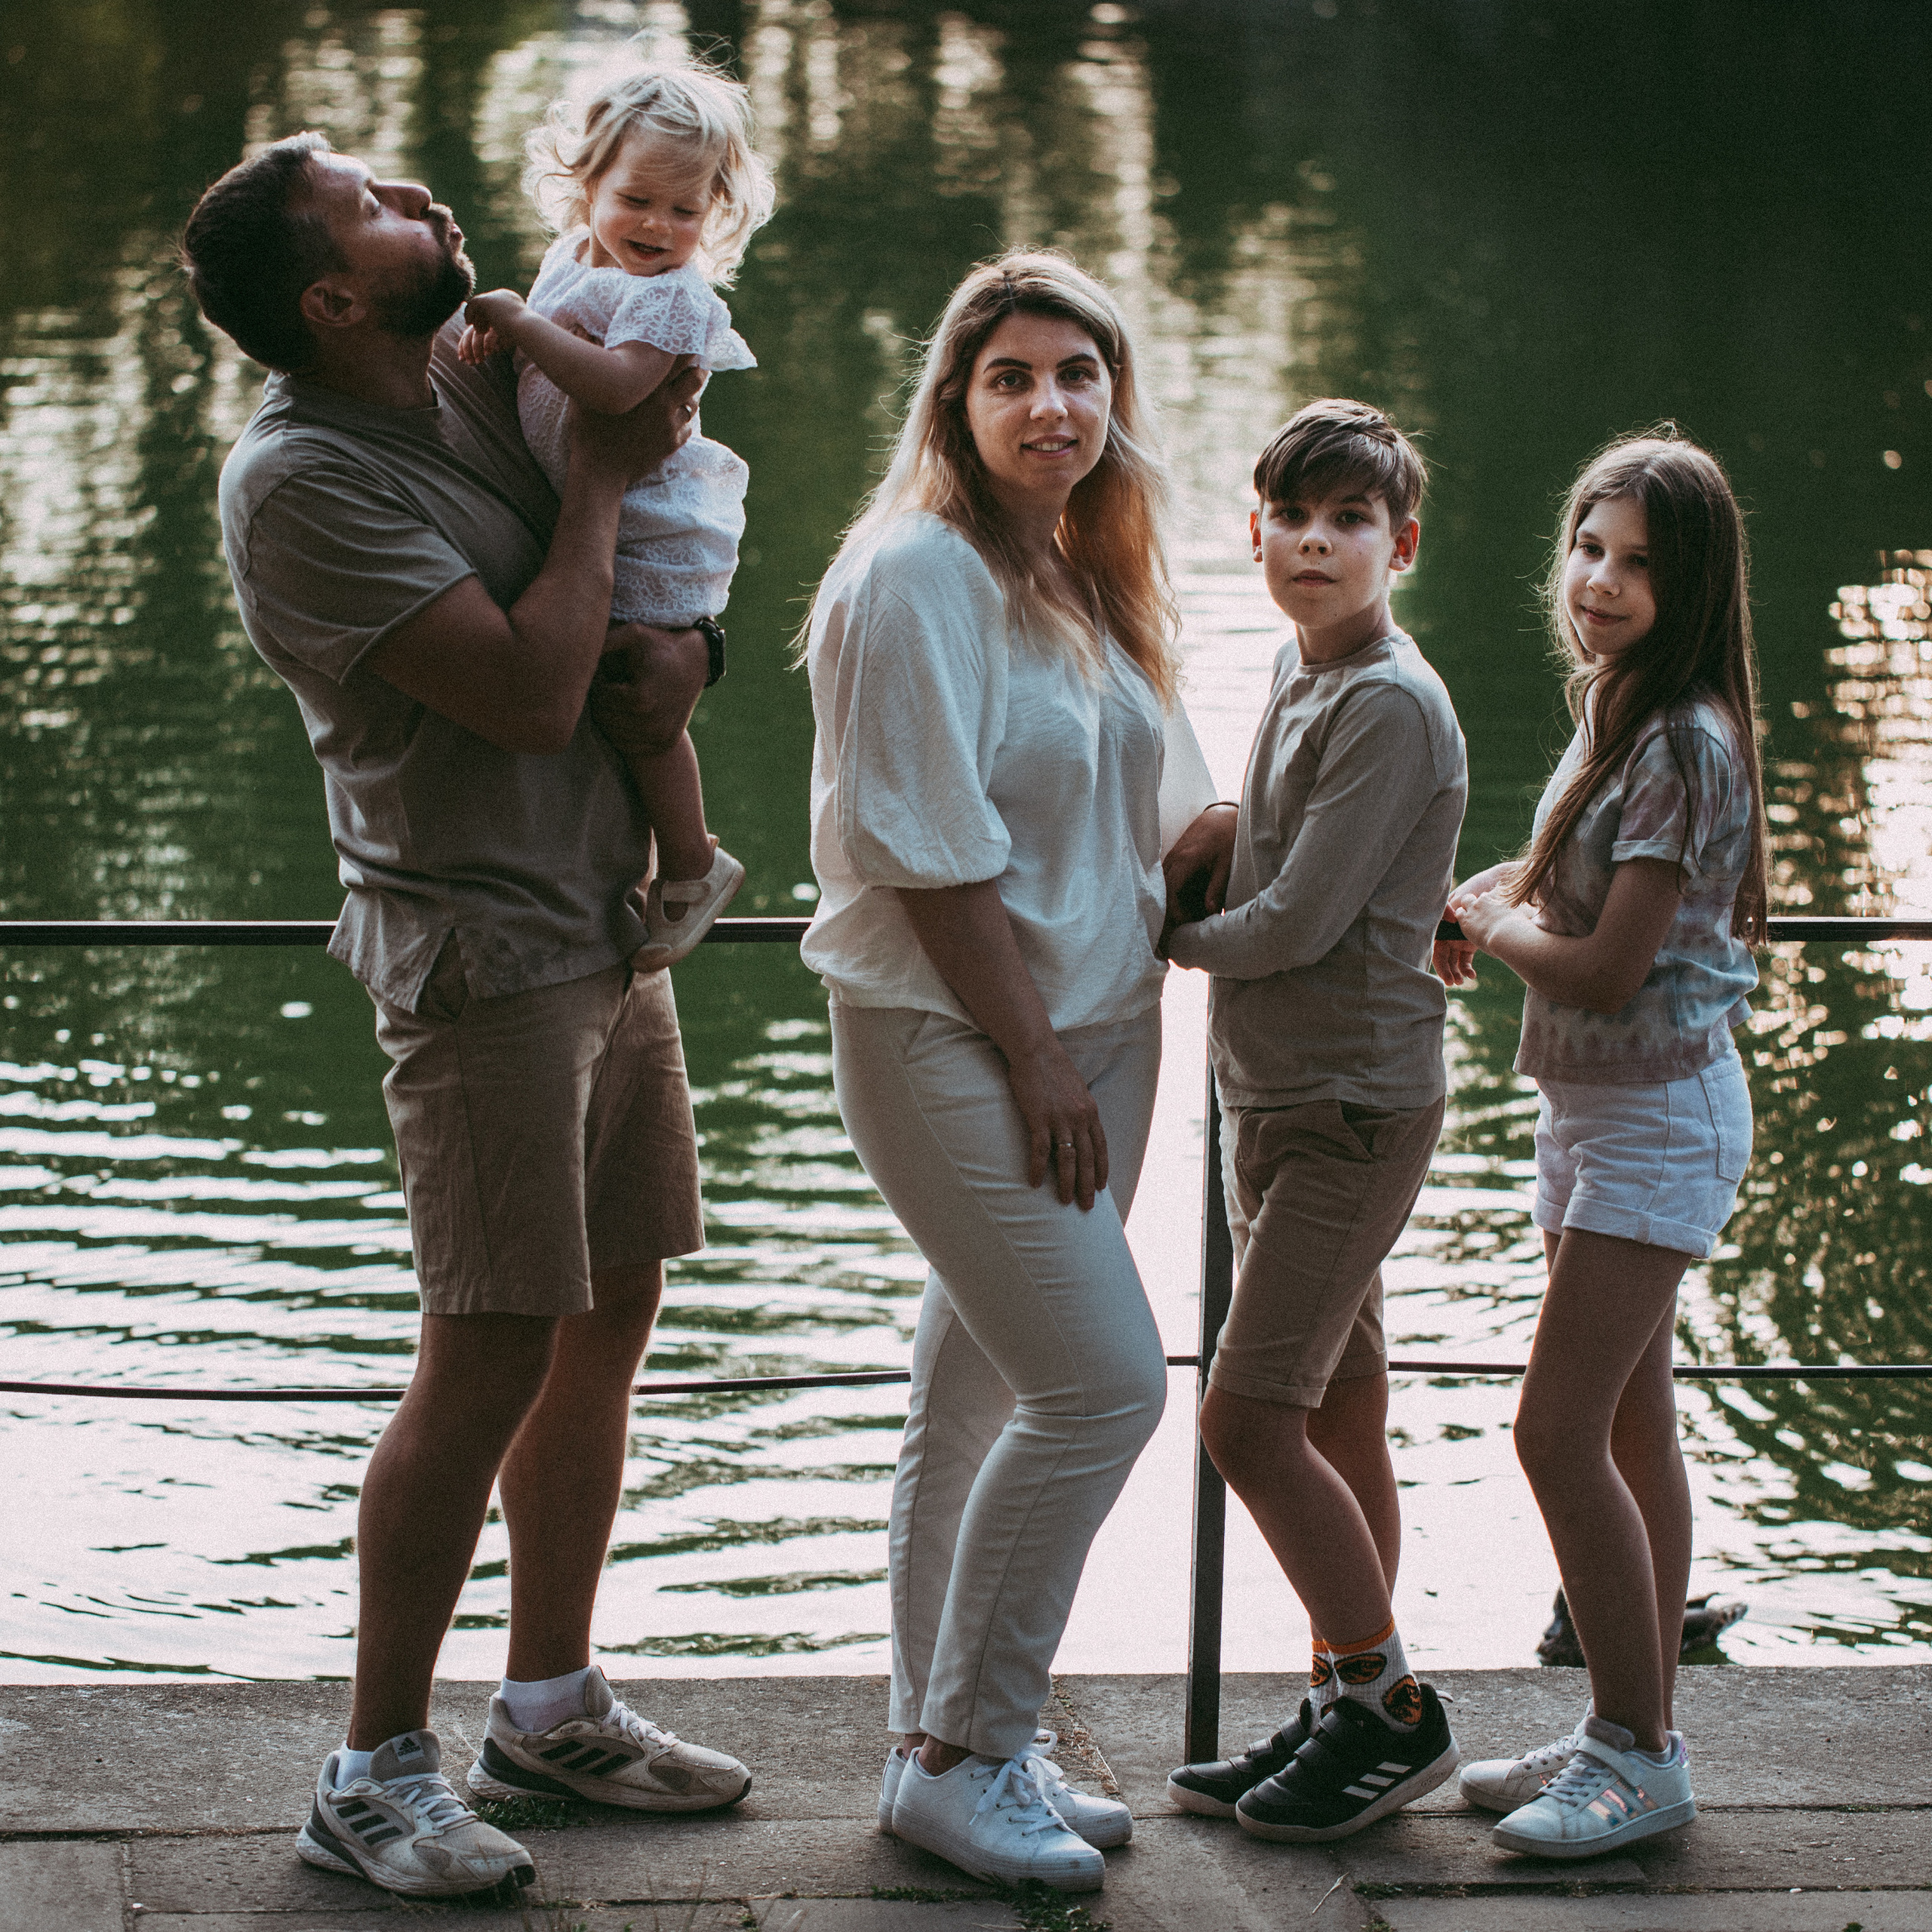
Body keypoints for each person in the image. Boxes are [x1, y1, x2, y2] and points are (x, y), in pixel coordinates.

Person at [181, 131, 752, 1904]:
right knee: (487, 1345)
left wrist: (697, 652)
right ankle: (369, 1771)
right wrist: (598, 481)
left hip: (607, 929)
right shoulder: (298, 482)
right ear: (326, 298)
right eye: (369, 205)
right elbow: (525, 690)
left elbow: (643, 597)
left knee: (612, 1307)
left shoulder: (463, 370)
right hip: (480, 952)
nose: (418, 197)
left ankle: (549, 1705)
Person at [799, 251, 1220, 1895]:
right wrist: (1036, 1056)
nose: (1052, 404)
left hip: (1103, 1030)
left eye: (1078, 374)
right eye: (1013, 377)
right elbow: (925, 852)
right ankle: (964, 1757)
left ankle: (953, 1735)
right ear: (955, 404)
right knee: (1106, 1386)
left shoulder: (1081, 569)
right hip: (957, 1038)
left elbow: (1170, 828)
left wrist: (1362, 796)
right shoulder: (914, 573)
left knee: (974, 1398)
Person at [1442, 429, 1767, 1858]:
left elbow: (1608, 967)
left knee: (1554, 1430)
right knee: (1634, 1426)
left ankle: (1641, 1755)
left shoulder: (1682, 736)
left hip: (1654, 1116)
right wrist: (1499, 892)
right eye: (1590, 547)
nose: (1603, 580)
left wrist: (1494, 925)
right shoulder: (1619, 709)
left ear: (1693, 587)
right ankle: (1625, 1730)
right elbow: (1580, 890)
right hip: (1599, 1109)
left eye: (1641, 563)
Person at [1158, 401, 1466, 1842]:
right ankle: (1344, 1701)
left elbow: (1294, 923)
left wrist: (1147, 934)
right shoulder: (1303, 664)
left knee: (1247, 1417)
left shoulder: (1392, 700)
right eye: (1293, 516)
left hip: (1351, 1104)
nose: (1315, 544)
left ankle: (1393, 1711)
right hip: (1279, 1096)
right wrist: (1225, 817)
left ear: (1401, 546)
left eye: (1350, 521)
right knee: (1339, 1414)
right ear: (1257, 533)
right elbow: (1282, 842)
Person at [460, 54, 775, 967]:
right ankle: (644, 859)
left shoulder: (674, 297)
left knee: (645, 710)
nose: (659, 227)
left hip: (654, 527)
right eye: (637, 199)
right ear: (585, 181)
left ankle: (691, 861)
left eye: (686, 210)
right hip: (605, 511)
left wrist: (519, 324)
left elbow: (616, 389)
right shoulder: (569, 262)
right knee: (612, 688)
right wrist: (514, 333)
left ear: (715, 211)